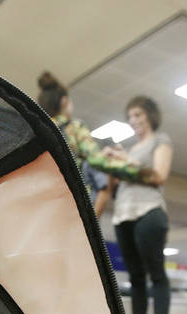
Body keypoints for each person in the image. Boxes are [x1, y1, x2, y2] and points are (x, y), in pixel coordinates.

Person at [36, 72, 156, 216]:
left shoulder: (35, 133)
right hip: (66, 202)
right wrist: (142, 173)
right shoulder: (73, 128)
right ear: (64, 101)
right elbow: (97, 159)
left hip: (40, 202)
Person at [112, 95, 173, 314]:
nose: (133, 120)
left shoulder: (161, 140)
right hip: (123, 213)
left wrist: (126, 162)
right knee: (135, 275)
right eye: (130, 117)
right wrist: (112, 162)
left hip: (149, 210)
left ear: (149, 114)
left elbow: (159, 175)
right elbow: (116, 185)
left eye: (137, 114)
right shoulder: (130, 149)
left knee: (155, 272)